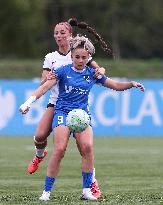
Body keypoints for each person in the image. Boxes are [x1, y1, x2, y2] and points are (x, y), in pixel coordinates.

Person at [19, 35, 145, 201]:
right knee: (60, 149)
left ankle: (87, 190)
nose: (80, 60)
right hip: (63, 113)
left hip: (81, 115)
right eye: (77, 57)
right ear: (71, 55)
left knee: (87, 147)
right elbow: (44, 88)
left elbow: (114, 85)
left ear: (88, 58)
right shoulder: (62, 71)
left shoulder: (92, 74)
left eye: (84, 57)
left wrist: (131, 84)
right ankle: (46, 192)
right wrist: (28, 103)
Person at [26, 18, 110, 198]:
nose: (58, 36)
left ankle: (92, 184)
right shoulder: (51, 57)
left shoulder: (79, 52)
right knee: (40, 135)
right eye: (56, 33)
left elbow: (98, 69)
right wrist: (48, 77)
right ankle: (39, 155)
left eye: (62, 33)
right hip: (57, 103)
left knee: (85, 148)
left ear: (70, 35)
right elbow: (43, 82)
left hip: (76, 108)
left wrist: (101, 69)